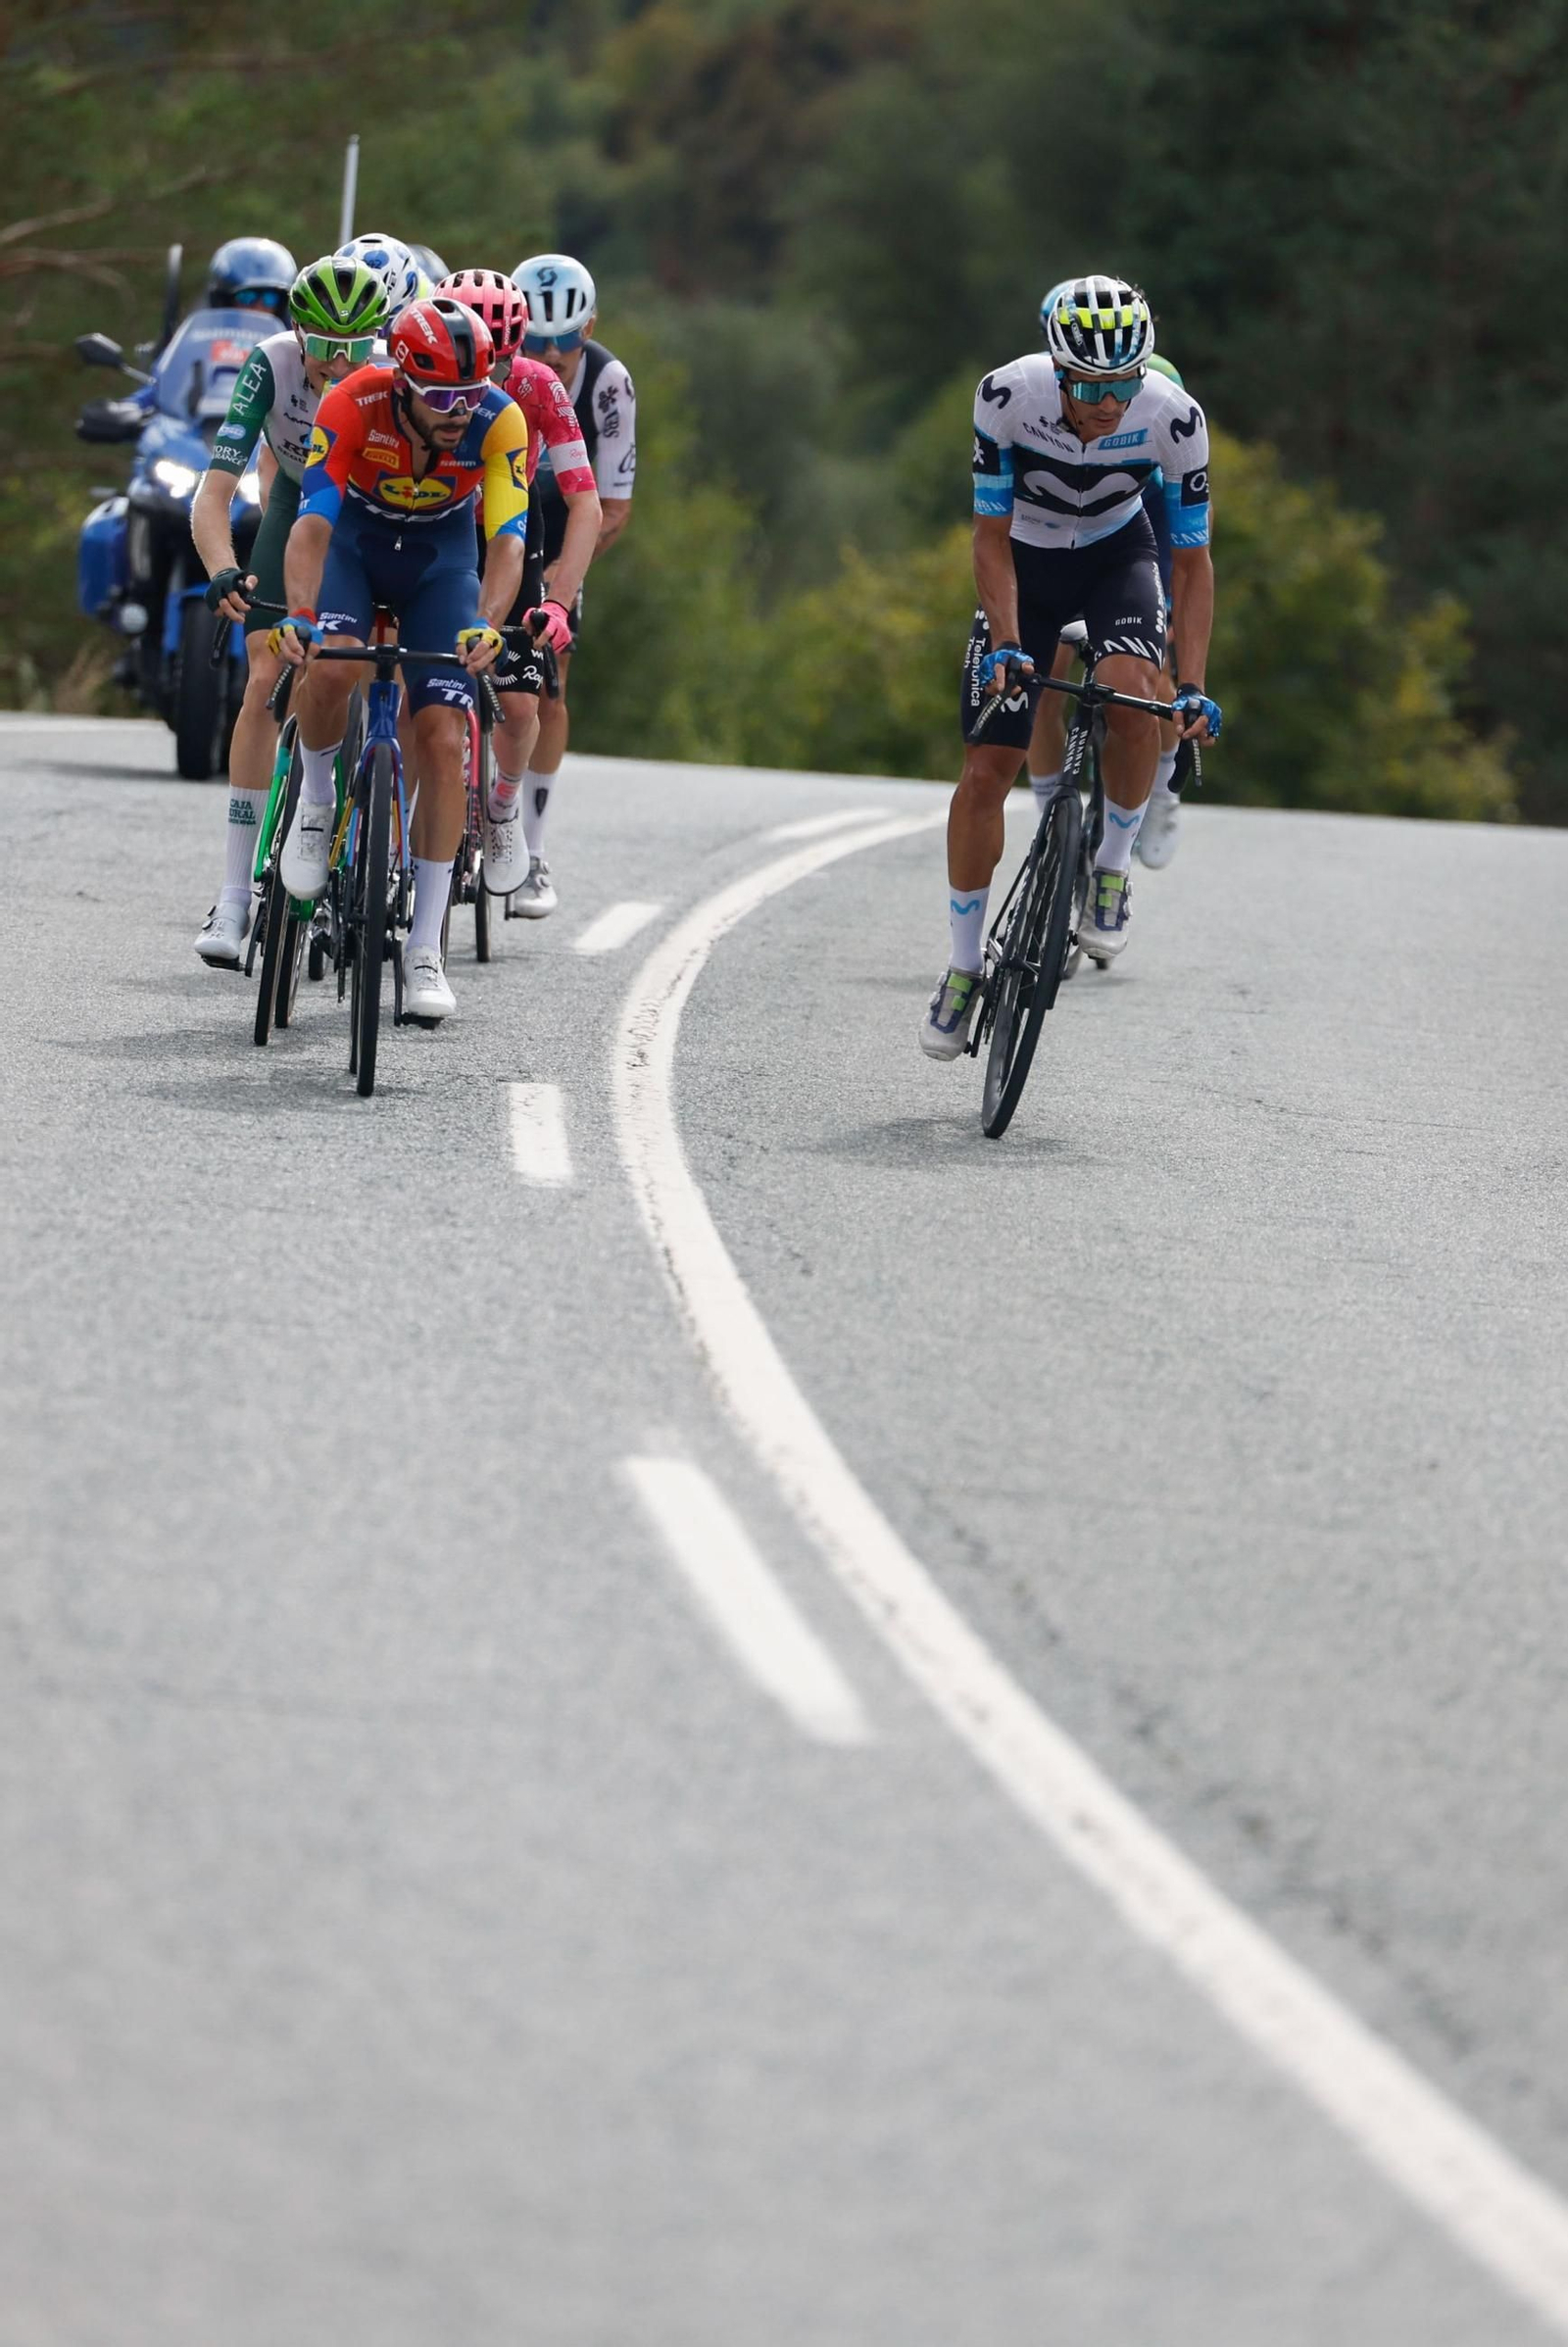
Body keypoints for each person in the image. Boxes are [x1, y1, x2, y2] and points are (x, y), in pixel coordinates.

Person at [920, 273, 1220, 1061]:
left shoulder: (1175, 416)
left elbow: (1192, 564)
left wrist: (1190, 683)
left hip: (1120, 556)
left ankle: (1113, 869)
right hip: (1028, 559)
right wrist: (1011, 643)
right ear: (1059, 371)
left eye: (1124, 382)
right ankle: (960, 968)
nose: (1109, 401)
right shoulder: (1005, 397)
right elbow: (988, 537)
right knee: (986, 768)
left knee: (1133, 698)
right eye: (1091, 384)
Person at [272, 296, 528, 1022]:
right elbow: (312, 522)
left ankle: (423, 947)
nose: (459, 411)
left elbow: (506, 538)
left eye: (471, 394)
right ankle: (319, 800)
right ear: (405, 380)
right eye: (443, 396)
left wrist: (487, 624)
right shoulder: (355, 400)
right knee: (332, 666)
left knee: (445, 733)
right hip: (354, 541)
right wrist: (298, 612)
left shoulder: (497, 419)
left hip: (441, 559)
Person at [188, 255, 391, 965]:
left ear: (378, 341)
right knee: (262, 680)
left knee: (345, 668)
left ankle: (345, 831)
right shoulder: (269, 364)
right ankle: (235, 895)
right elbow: (214, 493)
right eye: (322, 347)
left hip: (370, 519)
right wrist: (222, 571)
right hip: (293, 506)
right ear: (296, 330)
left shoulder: (396, 377)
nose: (335, 365)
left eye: (353, 350)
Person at [433, 269, 602, 894]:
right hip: (433, 521)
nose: (494, 380)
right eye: (484, 362)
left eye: (508, 362)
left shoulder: (538, 384)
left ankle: (504, 805)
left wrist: (557, 601)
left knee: (523, 702)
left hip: (510, 529)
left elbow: (586, 504)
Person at [1026, 324, 1194, 873]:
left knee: (1152, 679)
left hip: (1141, 568)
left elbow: (1175, 556)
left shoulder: (1166, 460)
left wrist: (1165, 626)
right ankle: (1050, 809)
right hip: (1072, 565)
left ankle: (1163, 793)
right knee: (1047, 674)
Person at [504, 252, 636, 917]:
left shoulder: (609, 383)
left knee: (550, 671)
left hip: (563, 520)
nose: (551, 355)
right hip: (490, 509)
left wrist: (562, 576)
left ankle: (533, 849)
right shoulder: (492, 359)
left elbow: (613, 507)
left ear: (590, 327)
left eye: (566, 340)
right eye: (534, 341)